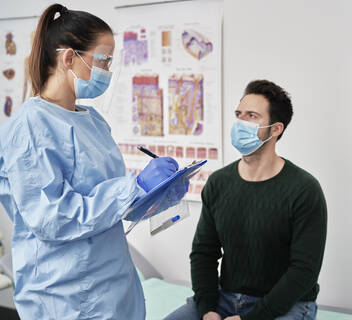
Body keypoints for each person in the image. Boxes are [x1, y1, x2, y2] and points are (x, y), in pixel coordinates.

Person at [0, 4, 186, 319]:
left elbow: (110, 205)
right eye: (103, 61)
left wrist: (155, 193)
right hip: (66, 295)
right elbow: (53, 218)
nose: (107, 72)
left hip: (111, 284)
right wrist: (134, 187)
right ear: (69, 57)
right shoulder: (31, 126)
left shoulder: (92, 121)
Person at [164, 80, 327, 320]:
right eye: (238, 114)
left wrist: (252, 318)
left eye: (252, 116)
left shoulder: (304, 189)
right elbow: (204, 253)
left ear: (275, 129)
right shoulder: (219, 183)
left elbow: (304, 271)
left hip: (286, 305)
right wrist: (207, 308)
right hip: (225, 298)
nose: (241, 122)